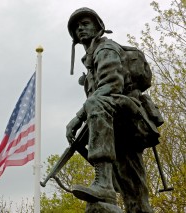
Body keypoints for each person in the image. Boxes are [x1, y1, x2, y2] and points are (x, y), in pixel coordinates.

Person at [65, 7, 163, 212]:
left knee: (95, 103)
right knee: (134, 189)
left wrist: (78, 117)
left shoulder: (105, 49)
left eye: (85, 24)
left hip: (130, 115)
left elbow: (111, 86)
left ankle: (104, 184)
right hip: (116, 127)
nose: (80, 29)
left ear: (98, 26)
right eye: (76, 27)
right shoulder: (91, 62)